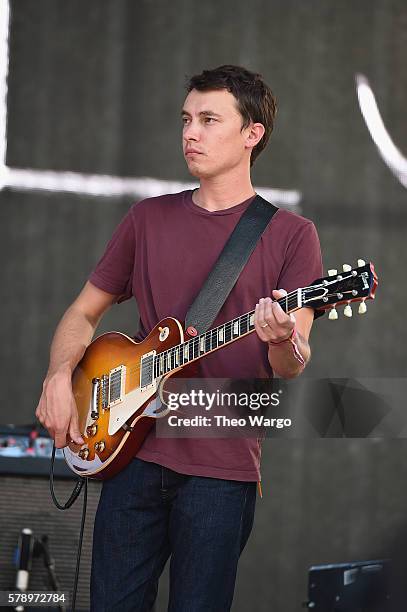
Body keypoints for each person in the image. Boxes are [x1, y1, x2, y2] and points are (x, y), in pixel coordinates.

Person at [36, 65, 323, 611]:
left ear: (251, 134)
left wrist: (282, 338)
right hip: (133, 455)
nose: (190, 132)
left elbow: (293, 362)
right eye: (186, 119)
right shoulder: (148, 219)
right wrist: (56, 377)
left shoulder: (291, 235)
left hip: (221, 468)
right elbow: (82, 312)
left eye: (209, 119)